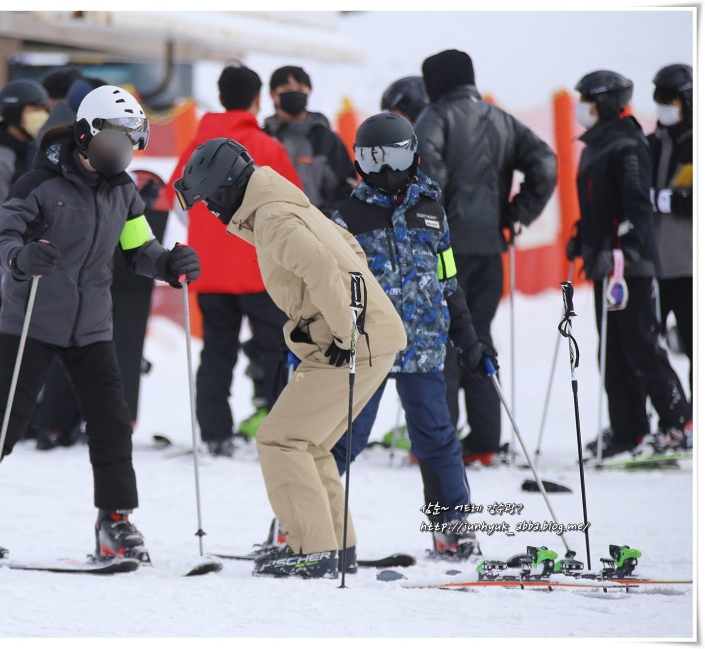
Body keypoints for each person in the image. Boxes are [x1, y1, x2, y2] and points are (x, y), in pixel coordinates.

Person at [0, 85, 200, 562]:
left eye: (132, 144)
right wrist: (21, 259)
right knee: (4, 421)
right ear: (88, 135)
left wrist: (168, 265)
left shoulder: (123, 192)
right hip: (32, 321)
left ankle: (116, 521)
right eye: (116, 142)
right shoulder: (38, 185)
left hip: (91, 327)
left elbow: (139, 251)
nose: (124, 154)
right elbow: (4, 238)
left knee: (112, 423)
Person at [174, 138, 407, 579]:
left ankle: (313, 550)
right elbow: (348, 248)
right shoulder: (284, 202)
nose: (208, 210)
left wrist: (343, 331)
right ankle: (337, 548)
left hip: (354, 340)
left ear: (225, 187)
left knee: (279, 440)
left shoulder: (273, 218)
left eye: (207, 200)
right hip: (369, 334)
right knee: (308, 443)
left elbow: (320, 265)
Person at [326, 113, 492, 560]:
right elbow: (330, 285)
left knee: (437, 438)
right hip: (369, 348)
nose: (384, 170)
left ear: (413, 155)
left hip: (423, 348)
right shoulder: (347, 217)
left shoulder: (431, 214)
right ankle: (302, 518)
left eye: (394, 157)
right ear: (359, 162)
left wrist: (469, 339)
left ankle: (451, 526)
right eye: (372, 159)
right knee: (346, 438)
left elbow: (448, 279)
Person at [415, 49, 557, 465]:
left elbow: (428, 179)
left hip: (446, 249)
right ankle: (485, 442)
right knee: (479, 337)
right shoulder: (503, 119)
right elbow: (546, 164)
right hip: (491, 248)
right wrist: (516, 216)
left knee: (443, 337)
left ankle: (441, 440)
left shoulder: (434, 118)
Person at [167, 63, 303, 456]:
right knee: (277, 351)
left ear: (221, 95)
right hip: (259, 271)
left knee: (217, 353)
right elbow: (293, 205)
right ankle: (281, 430)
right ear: (258, 99)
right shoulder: (265, 147)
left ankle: (215, 433)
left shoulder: (197, 144)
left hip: (208, 271)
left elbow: (177, 203)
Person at [567, 70, 692, 458]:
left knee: (640, 346)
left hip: (628, 265)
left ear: (604, 103)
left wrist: (622, 246)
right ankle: (629, 429)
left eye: (587, 101)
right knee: (614, 351)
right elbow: (600, 204)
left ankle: (679, 423)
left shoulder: (626, 144)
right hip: (605, 264)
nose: (580, 109)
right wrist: (583, 235)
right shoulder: (597, 144)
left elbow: (636, 204)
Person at [0, 79, 50, 417]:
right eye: (33, 109)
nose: (41, 115)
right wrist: (14, 258)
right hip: (8, 268)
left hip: (36, 264)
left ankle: (27, 408)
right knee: (6, 342)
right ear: (13, 112)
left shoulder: (34, 154)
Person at [648, 63, 693, 402]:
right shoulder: (653, 142)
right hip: (655, 264)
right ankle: (673, 418)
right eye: (658, 98)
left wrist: (674, 200)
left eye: (670, 99)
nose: (663, 105)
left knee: (696, 347)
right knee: (648, 346)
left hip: (691, 265)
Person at [262, 65, 355, 216]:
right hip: (268, 232)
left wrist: (325, 216)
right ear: (273, 94)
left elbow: (347, 189)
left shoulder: (327, 140)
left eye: (300, 89)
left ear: (309, 92)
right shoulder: (262, 138)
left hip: (316, 232)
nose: (295, 94)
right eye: (287, 89)